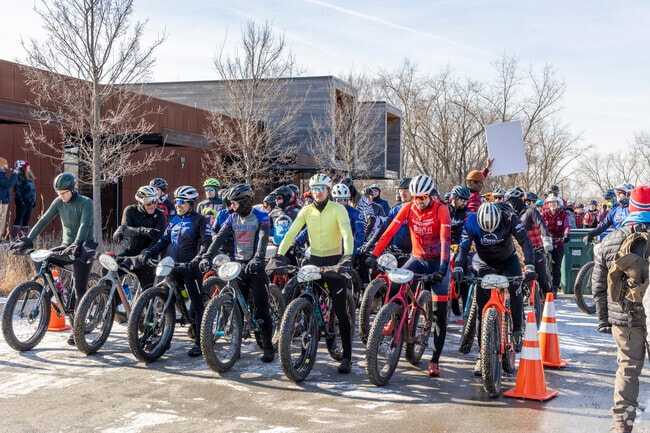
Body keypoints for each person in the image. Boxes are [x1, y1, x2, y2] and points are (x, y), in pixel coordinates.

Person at [366, 174, 451, 378]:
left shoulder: (441, 209)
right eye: (415, 197)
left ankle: (435, 359)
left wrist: (442, 268)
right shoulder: (408, 207)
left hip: (438, 261)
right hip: (418, 258)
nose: (418, 202)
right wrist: (374, 254)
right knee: (395, 282)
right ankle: (393, 318)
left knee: (439, 315)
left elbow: (445, 241)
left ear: (430, 195)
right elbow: (389, 231)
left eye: (422, 198)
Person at [276, 173, 354, 374]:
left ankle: (346, 356)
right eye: (315, 189)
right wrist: (278, 255)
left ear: (328, 190)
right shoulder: (306, 210)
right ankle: (306, 344)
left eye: (322, 189)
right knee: (308, 300)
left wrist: (347, 258)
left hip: (334, 261)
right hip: (314, 260)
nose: (318, 193)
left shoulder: (338, 209)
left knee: (340, 310)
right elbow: (291, 232)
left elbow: (346, 233)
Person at [10, 172, 97, 346]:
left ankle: (77, 329)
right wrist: (29, 238)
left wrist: (78, 243)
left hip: (84, 246)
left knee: (80, 289)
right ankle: (51, 287)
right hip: (66, 244)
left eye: (64, 192)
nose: (61, 196)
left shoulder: (86, 203)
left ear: (73, 189)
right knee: (41, 257)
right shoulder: (59, 202)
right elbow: (44, 220)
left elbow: (84, 225)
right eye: (59, 193)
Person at [592, 185, 650, 433]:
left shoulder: (611, 239)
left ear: (631, 208)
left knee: (627, 368)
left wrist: (604, 319)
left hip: (625, 316)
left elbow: (598, 286)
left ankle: (623, 425)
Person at [452, 202, 536, 374]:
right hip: (484, 263)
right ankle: (482, 355)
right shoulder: (471, 221)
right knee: (481, 310)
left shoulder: (510, 218)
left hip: (508, 261)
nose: (490, 233)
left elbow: (525, 241)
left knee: (515, 287)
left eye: (493, 229)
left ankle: (517, 330)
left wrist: (529, 265)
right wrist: (459, 266)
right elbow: (463, 246)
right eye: (486, 230)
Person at [201, 183, 275, 362]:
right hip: (238, 265)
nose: (231, 207)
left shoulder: (261, 215)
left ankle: (268, 347)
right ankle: (236, 348)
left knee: (261, 310)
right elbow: (219, 237)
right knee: (237, 309)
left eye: (234, 203)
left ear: (244, 201)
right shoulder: (232, 217)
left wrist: (258, 258)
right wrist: (207, 256)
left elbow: (264, 238)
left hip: (256, 264)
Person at [139, 185, 211, 357]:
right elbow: (164, 241)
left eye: (181, 202)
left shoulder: (199, 220)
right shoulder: (174, 221)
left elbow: (206, 241)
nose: (177, 205)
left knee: (197, 303)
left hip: (191, 267)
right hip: (174, 265)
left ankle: (199, 343)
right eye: (176, 201)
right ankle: (159, 337)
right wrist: (150, 251)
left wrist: (198, 259)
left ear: (190, 203)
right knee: (168, 299)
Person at [112, 185, 166, 289]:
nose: (153, 205)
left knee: (147, 291)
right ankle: (113, 300)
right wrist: (143, 231)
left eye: (155, 201)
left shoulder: (160, 216)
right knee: (109, 269)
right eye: (149, 202)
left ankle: (147, 303)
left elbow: (158, 239)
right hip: (132, 250)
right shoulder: (130, 210)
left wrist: (148, 252)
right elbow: (125, 229)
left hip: (149, 253)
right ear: (140, 201)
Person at [505, 187, 554, 297]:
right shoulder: (510, 215)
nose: (510, 204)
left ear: (519, 200)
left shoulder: (531, 211)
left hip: (535, 249)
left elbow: (541, 224)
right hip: (517, 251)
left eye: (512, 201)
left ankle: (548, 294)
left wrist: (546, 239)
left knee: (541, 276)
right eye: (508, 202)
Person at [542, 195, 570, 295]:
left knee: (556, 266)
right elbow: (538, 225)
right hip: (546, 240)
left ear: (558, 204)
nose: (552, 204)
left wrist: (566, 234)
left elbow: (566, 226)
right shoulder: (544, 214)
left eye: (554, 202)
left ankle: (554, 288)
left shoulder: (563, 214)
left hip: (558, 241)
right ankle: (544, 287)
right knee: (543, 265)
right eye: (550, 203)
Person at [11, 160, 36, 239]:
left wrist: (33, 200)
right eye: (27, 166)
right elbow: (16, 189)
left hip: (30, 201)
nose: (29, 167)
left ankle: (25, 237)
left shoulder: (29, 177)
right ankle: (15, 237)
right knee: (19, 218)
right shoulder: (19, 176)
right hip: (22, 201)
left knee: (26, 219)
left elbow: (32, 190)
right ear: (23, 168)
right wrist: (20, 200)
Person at [0, 157, 19, 240]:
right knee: (1, 220)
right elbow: (8, 184)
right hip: (1, 201)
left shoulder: (2, 174)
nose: (8, 165)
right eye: (6, 164)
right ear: (1, 165)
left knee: (2, 220)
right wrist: (14, 174)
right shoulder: (0, 175)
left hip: (3, 200)